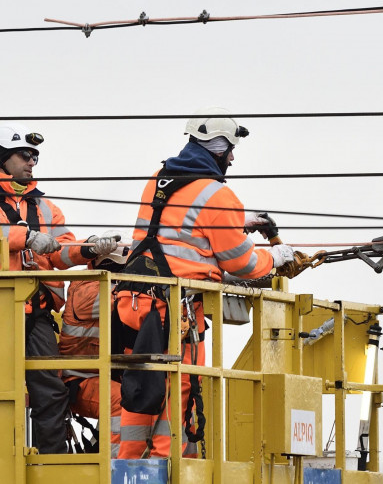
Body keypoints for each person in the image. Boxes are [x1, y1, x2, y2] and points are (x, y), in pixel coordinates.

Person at [114, 106, 295, 459]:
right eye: (231, 151)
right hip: (175, 309)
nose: (232, 159)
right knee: (181, 385)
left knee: (141, 384)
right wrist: (277, 257)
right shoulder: (218, 195)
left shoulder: (159, 178)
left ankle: (128, 466)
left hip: (135, 301)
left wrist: (239, 221)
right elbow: (244, 264)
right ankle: (168, 466)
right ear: (219, 147)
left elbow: (177, 223)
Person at [0, 123, 118, 454]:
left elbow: (61, 251)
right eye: (24, 156)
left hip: (36, 313)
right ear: (2, 158)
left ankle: (51, 463)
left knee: (50, 390)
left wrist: (89, 248)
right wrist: (25, 237)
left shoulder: (45, 207)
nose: (32, 162)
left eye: (34, 157)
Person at [59, 231, 130, 457]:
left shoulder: (116, 286)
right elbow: (120, 298)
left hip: (105, 376)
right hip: (79, 380)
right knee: (122, 401)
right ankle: (115, 466)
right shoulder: (85, 287)